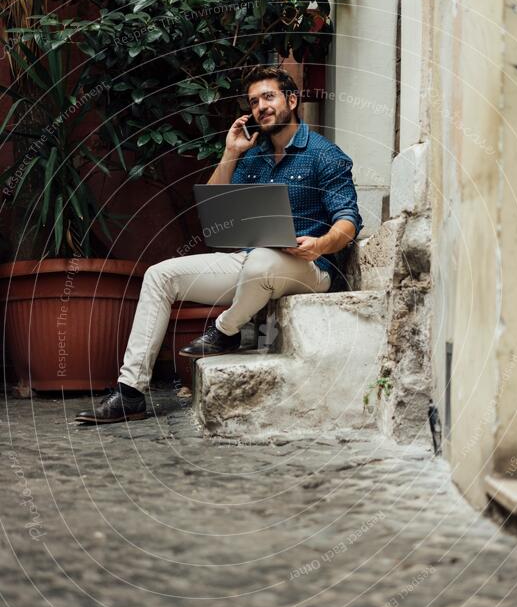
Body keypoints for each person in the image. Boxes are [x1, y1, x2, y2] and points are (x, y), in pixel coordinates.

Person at [76, 65, 363, 424]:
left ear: (292, 100)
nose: (261, 106)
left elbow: (349, 221)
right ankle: (130, 392)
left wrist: (320, 244)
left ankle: (225, 331)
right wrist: (231, 151)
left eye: (269, 96)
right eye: (254, 101)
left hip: (310, 267)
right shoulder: (253, 156)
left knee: (261, 259)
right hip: (252, 263)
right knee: (159, 276)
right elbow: (212, 204)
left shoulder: (324, 154)